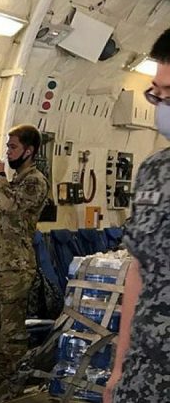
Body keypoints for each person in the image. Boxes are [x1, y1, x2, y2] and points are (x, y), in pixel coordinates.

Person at [104, 28, 170, 403]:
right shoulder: (154, 170)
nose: (161, 105)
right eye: (156, 93)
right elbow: (138, 270)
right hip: (145, 374)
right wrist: (119, 368)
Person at [0, 124, 48, 380]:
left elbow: (11, 205)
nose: (8, 153)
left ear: (29, 151)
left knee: (11, 333)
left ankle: (13, 384)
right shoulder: (15, 182)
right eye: (8, 147)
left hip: (17, 268)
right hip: (0, 265)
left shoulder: (35, 181)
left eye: (13, 147)